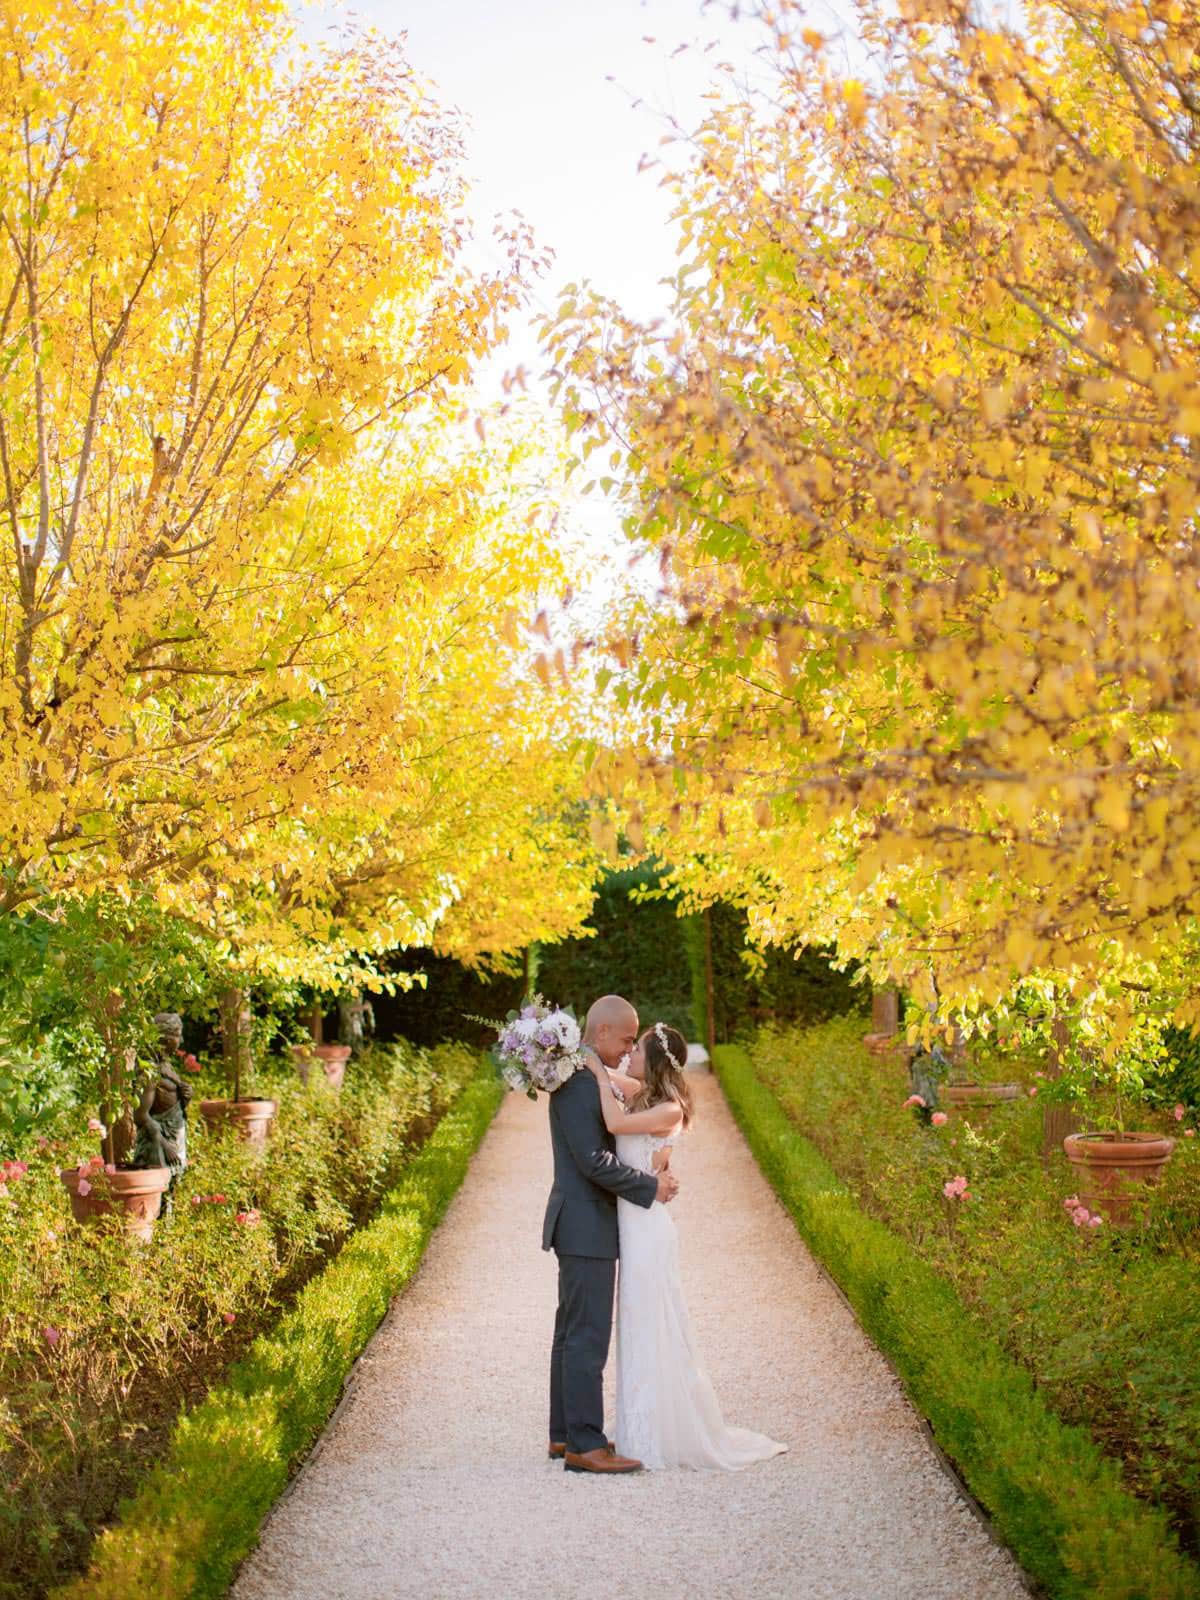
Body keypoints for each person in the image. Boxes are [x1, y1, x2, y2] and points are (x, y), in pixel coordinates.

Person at [584, 1020, 789, 1471]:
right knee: (636, 1325)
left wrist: (599, 1075)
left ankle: (655, 1434)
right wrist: (576, 1057)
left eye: (637, 1050)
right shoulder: (643, 1092)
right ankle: (639, 1427)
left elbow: (615, 1122)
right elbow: (609, 1076)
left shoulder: (669, 1109)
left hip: (647, 1232)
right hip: (631, 1228)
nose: (629, 1056)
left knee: (650, 1324)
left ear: (655, 1061)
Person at [543, 994, 679, 1474]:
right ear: (600, 1032)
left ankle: (564, 1434)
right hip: (587, 1224)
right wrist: (650, 1187)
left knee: (571, 1331)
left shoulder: (585, 1075)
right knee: (586, 1336)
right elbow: (594, 1162)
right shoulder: (581, 1082)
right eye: (625, 1040)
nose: (626, 1050)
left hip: (582, 1222)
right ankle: (585, 1444)